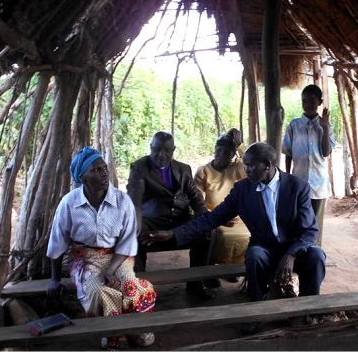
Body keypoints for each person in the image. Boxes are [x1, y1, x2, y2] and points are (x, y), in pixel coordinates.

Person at [140, 142, 326, 336]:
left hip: (294, 249)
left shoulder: (297, 187)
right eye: (245, 165)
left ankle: (307, 309)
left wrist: (290, 255)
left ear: (268, 165)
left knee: (316, 255)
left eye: (251, 165)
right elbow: (211, 219)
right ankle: (256, 311)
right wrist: (173, 233)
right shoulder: (243, 190)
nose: (246, 170)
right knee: (255, 255)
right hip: (265, 249)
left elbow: (309, 230)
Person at [46, 147, 156, 350]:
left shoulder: (122, 202)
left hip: (118, 257)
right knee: (97, 290)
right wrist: (54, 279)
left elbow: (127, 241)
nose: (104, 173)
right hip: (84, 258)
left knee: (130, 288)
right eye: (95, 170)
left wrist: (110, 269)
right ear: (83, 178)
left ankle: (134, 326)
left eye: (104, 168)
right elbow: (57, 242)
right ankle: (114, 334)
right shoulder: (69, 204)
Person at [126, 130, 214, 300]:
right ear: (151, 147)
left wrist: (205, 218)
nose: (162, 155)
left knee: (207, 231)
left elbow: (196, 198)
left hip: (178, 223)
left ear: (173, 149)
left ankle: (196, 281)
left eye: (167, 150)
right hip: (150, 223)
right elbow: (134, 199)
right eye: (157, 149)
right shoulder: (139, 168)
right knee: (133, 233)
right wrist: (136, 221)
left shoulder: (183, 169)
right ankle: (141, 287)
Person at [282, 84, 336, 247]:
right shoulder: (294, 125)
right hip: (299, 182)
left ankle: (314, 256)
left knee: (316, 225)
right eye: (304, 101)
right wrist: (288, 177)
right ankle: (296, 256)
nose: (307, 104)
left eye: (312, 101)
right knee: (298, 222)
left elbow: (326, 152)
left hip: (319, 184)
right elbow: (288, 153)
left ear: (319, 102)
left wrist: (325, 128)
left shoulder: (325, 126)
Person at [194, 128, 249, 283]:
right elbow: (197, 201)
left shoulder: (236, 167)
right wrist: (217, 217)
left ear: (233, 155)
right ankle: (211, 270)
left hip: (235, 217)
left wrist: (239, 145)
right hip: (213, 215)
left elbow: (250, 163)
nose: (221, 155)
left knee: (247, 234)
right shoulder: (203, 171)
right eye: (218, 151)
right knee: (218, 235)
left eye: (226, 152)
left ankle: (233, 269)